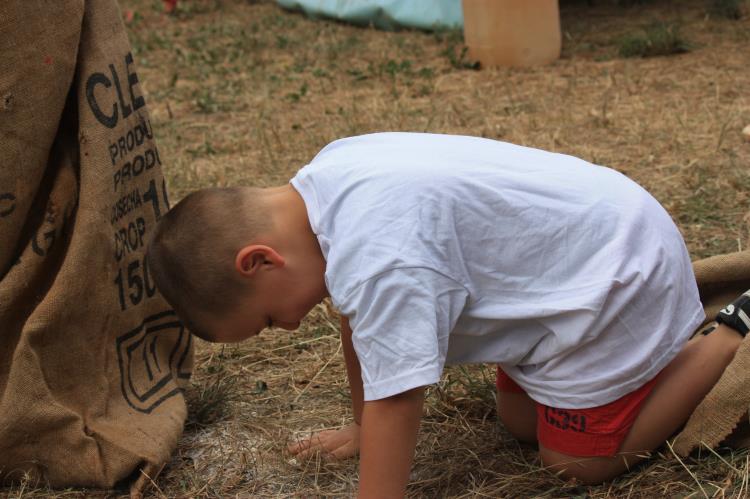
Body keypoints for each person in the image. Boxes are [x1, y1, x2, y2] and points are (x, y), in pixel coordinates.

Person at [146, 132, 749, 497]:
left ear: (258, 261)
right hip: (590, 254)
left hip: (613, 287)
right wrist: (361, 428)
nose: (293, 326)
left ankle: (727, 337)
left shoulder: (381, 259)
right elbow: (361, 328)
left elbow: (399, 398)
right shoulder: (326, 187)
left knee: (572, 463)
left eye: (270, 321)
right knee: (517, 422)